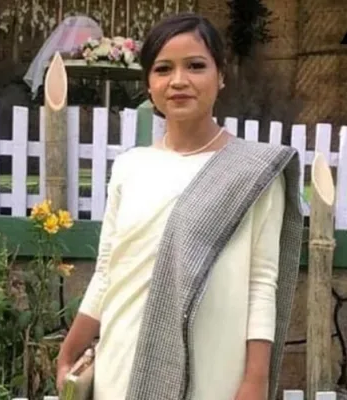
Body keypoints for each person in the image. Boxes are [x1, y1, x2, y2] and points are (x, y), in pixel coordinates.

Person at [56, 12, 303, 400]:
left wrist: (255, 379)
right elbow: (107, 270)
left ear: (221, 76)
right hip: (123, 357)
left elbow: (261, 284)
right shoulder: (130, 167)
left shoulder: (253, 172)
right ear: (149, 85)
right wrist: (71, 347)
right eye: (163, 69)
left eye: (196, 66)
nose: (178, 81)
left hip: (213, 363)